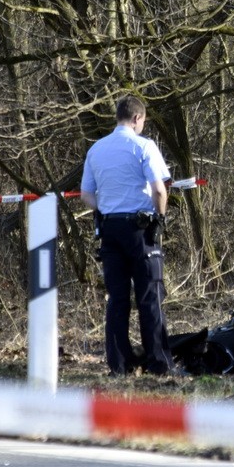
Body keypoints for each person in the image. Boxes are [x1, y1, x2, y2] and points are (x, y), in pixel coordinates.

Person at [80, 95, 175, 376]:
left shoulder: (96, 149)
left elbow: (87, 194)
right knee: (149, 296)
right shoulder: (143, 146)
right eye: (143, 121)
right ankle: (159, 363)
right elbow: (159, 190)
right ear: (136, 118)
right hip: (140, 230)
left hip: (110, 230)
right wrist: (159, 218)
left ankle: (119, 365)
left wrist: (107, 208)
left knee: (117, 298)